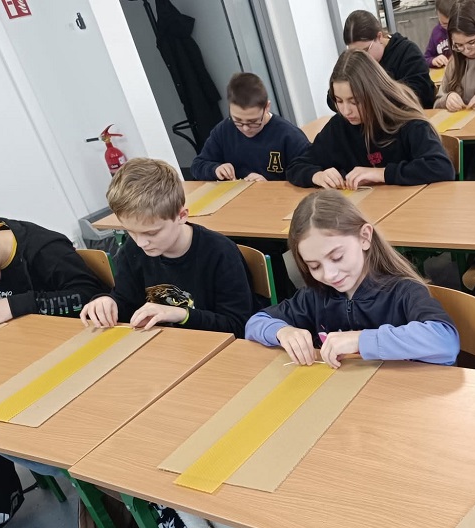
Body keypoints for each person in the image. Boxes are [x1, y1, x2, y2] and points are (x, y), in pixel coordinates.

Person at [245, 189, 459, 370]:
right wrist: (282, 331)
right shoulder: (315, 296)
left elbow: (445, 341)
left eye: (337, 257)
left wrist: (360, 340)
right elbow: (255, 323)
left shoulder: (402, 290)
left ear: (364, 237)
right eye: (314, 266)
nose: (329, 274)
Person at [79, 157, 256, 338]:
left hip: (210, 345)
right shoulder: (132, 250)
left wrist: (182, 315)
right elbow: (126, 301)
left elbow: (237, 325)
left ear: (181, 216)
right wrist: (107, 302)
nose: (141, 243)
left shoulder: (220, 253)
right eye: (130, 231)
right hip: (160, 344)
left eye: (151, 233)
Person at [287, 51, 455, 190]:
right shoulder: (338, 126)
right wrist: (317, 175)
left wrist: (380, 173)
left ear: (373, 94)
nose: (346, 111)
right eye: (339, 101)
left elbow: (441, 167)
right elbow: (297, 166)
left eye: (355, 102)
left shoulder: (406, 121)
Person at [190, 72, 309, 183]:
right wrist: (215, 169)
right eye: (237, 120)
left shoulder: (289, 136)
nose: (245, 128)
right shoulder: (223, 130)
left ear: (266, 107)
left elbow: (308, 174)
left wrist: (269, 186)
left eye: (253, 121)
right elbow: (197, 166)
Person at [339, 9, 436, 108]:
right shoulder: (354, 59)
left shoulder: (407, 52)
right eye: (355, 53)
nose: (361, 58)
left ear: (379, 37)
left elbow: (421, 94)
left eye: (365, 50)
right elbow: (333, 97)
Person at [425, 0, 456, 68]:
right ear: (437, 14)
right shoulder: (436, 32)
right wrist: (433, 60)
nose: (449, 28)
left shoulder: (463, 29)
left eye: (453, 23)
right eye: (444, 24)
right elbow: (425, 58)